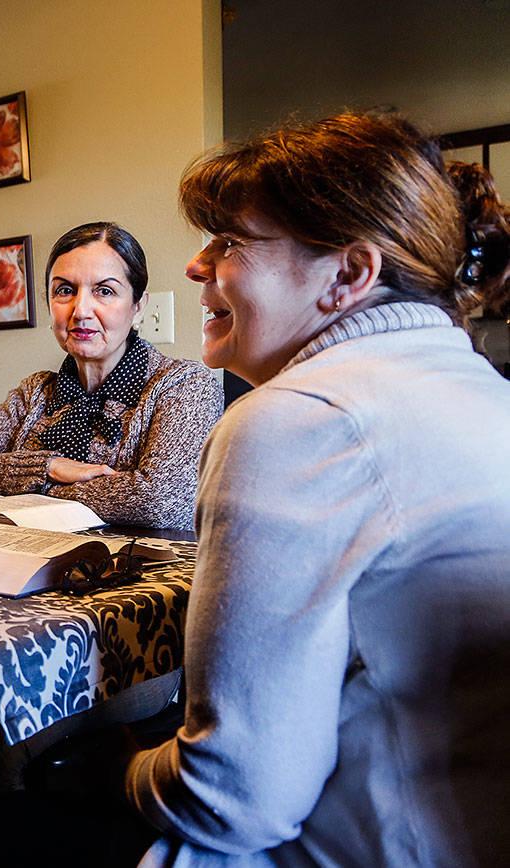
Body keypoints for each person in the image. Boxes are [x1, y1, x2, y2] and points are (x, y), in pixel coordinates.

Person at [122, 114, 510, 865]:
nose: (198, 266)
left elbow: (236, 801)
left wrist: (124, 771)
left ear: (348, 274)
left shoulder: (296, 420)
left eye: (229, 241)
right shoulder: (488, 395)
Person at [0, 222, 223, 531]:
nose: (81, 311)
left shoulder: (184, 384)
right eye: (65, 290)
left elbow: (162, 502)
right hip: (26, 565)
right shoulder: (36, 392)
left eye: (104, 291)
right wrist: (47, 466)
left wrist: (32, 493)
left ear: (138, 307)